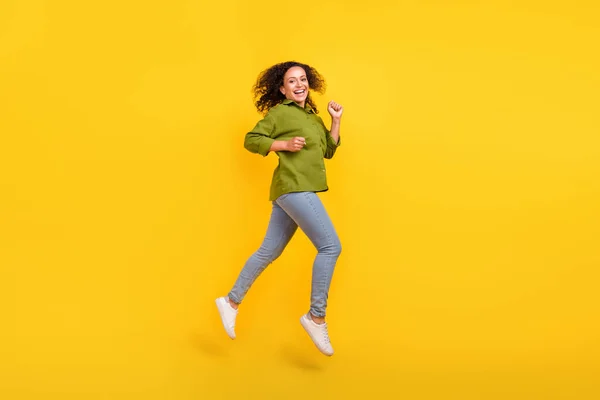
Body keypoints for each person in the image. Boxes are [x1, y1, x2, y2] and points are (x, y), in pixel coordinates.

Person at [215, 61, 343, 356]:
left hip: (293, 190)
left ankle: (231, 301)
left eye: (303, 80)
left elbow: (328, 150)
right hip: (294, 186)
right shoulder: (280, 113)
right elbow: (252, 139)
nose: (299, 85)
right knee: (330, 247)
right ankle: (316, 316)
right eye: (292, 81)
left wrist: (335, 120)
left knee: (268, 251)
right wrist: (283, 144)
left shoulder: (312, 116)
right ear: (283, 89)